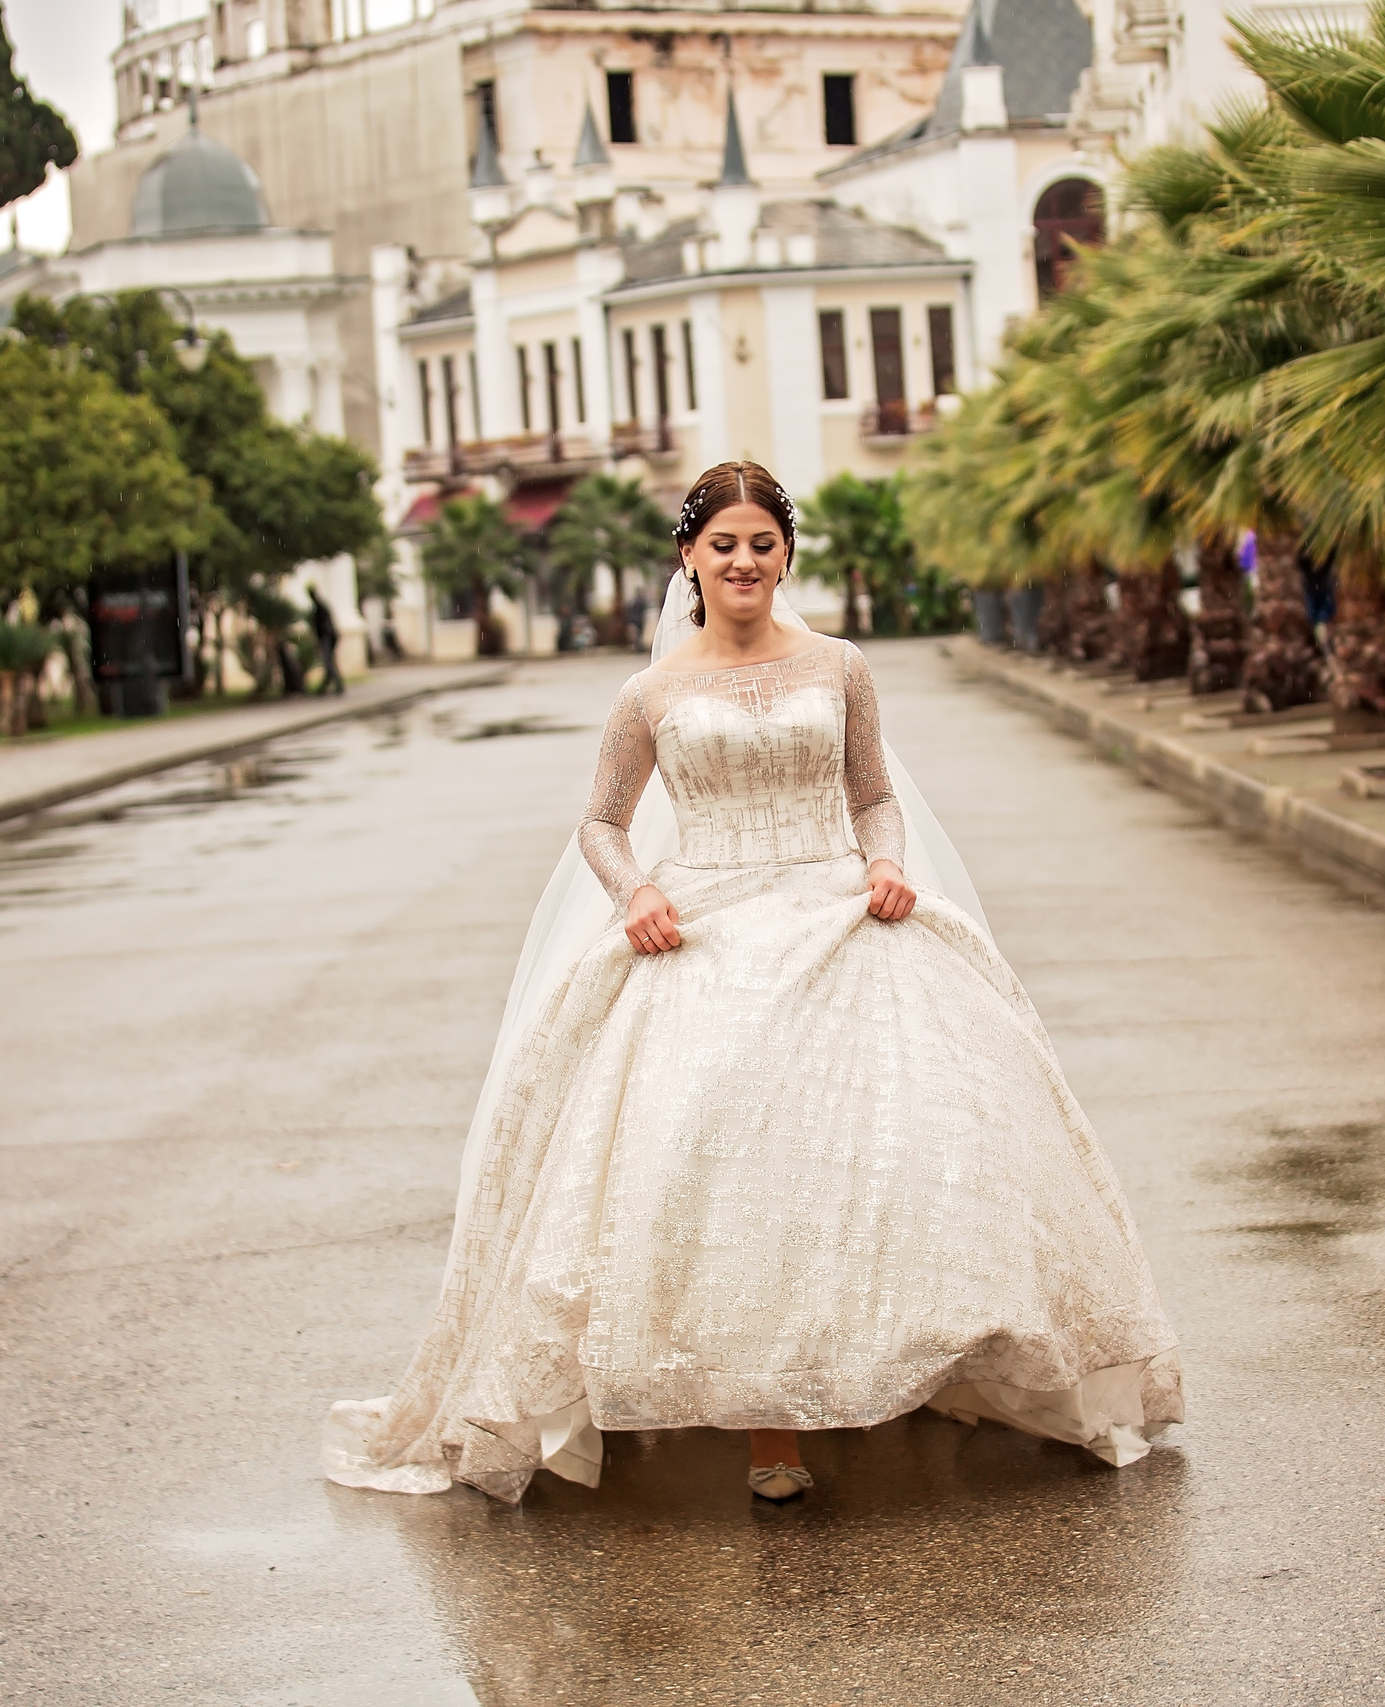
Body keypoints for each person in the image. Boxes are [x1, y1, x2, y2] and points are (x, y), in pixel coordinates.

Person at [325, 461, 1181, 1505]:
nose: (743, 561)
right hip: (701, 928)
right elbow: (599, 821)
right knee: (723, 1169)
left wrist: (884, 862)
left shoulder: (841, 667)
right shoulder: (651, 691)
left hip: (837, 912)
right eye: (722, 544)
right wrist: (633, 890)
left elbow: (870, 794)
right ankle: (768, 1429)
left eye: (761, 544)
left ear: (785, 557)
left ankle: (896, 1370)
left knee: (900, 1147)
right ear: (688, 557)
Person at [307, 588, 346, 696]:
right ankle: (323, 687)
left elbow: (323, 626)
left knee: (328, 663)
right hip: (328, 637)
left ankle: (338, 686)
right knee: (328, 663)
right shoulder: (320, 607)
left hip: (327, 637)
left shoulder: (319, 608)